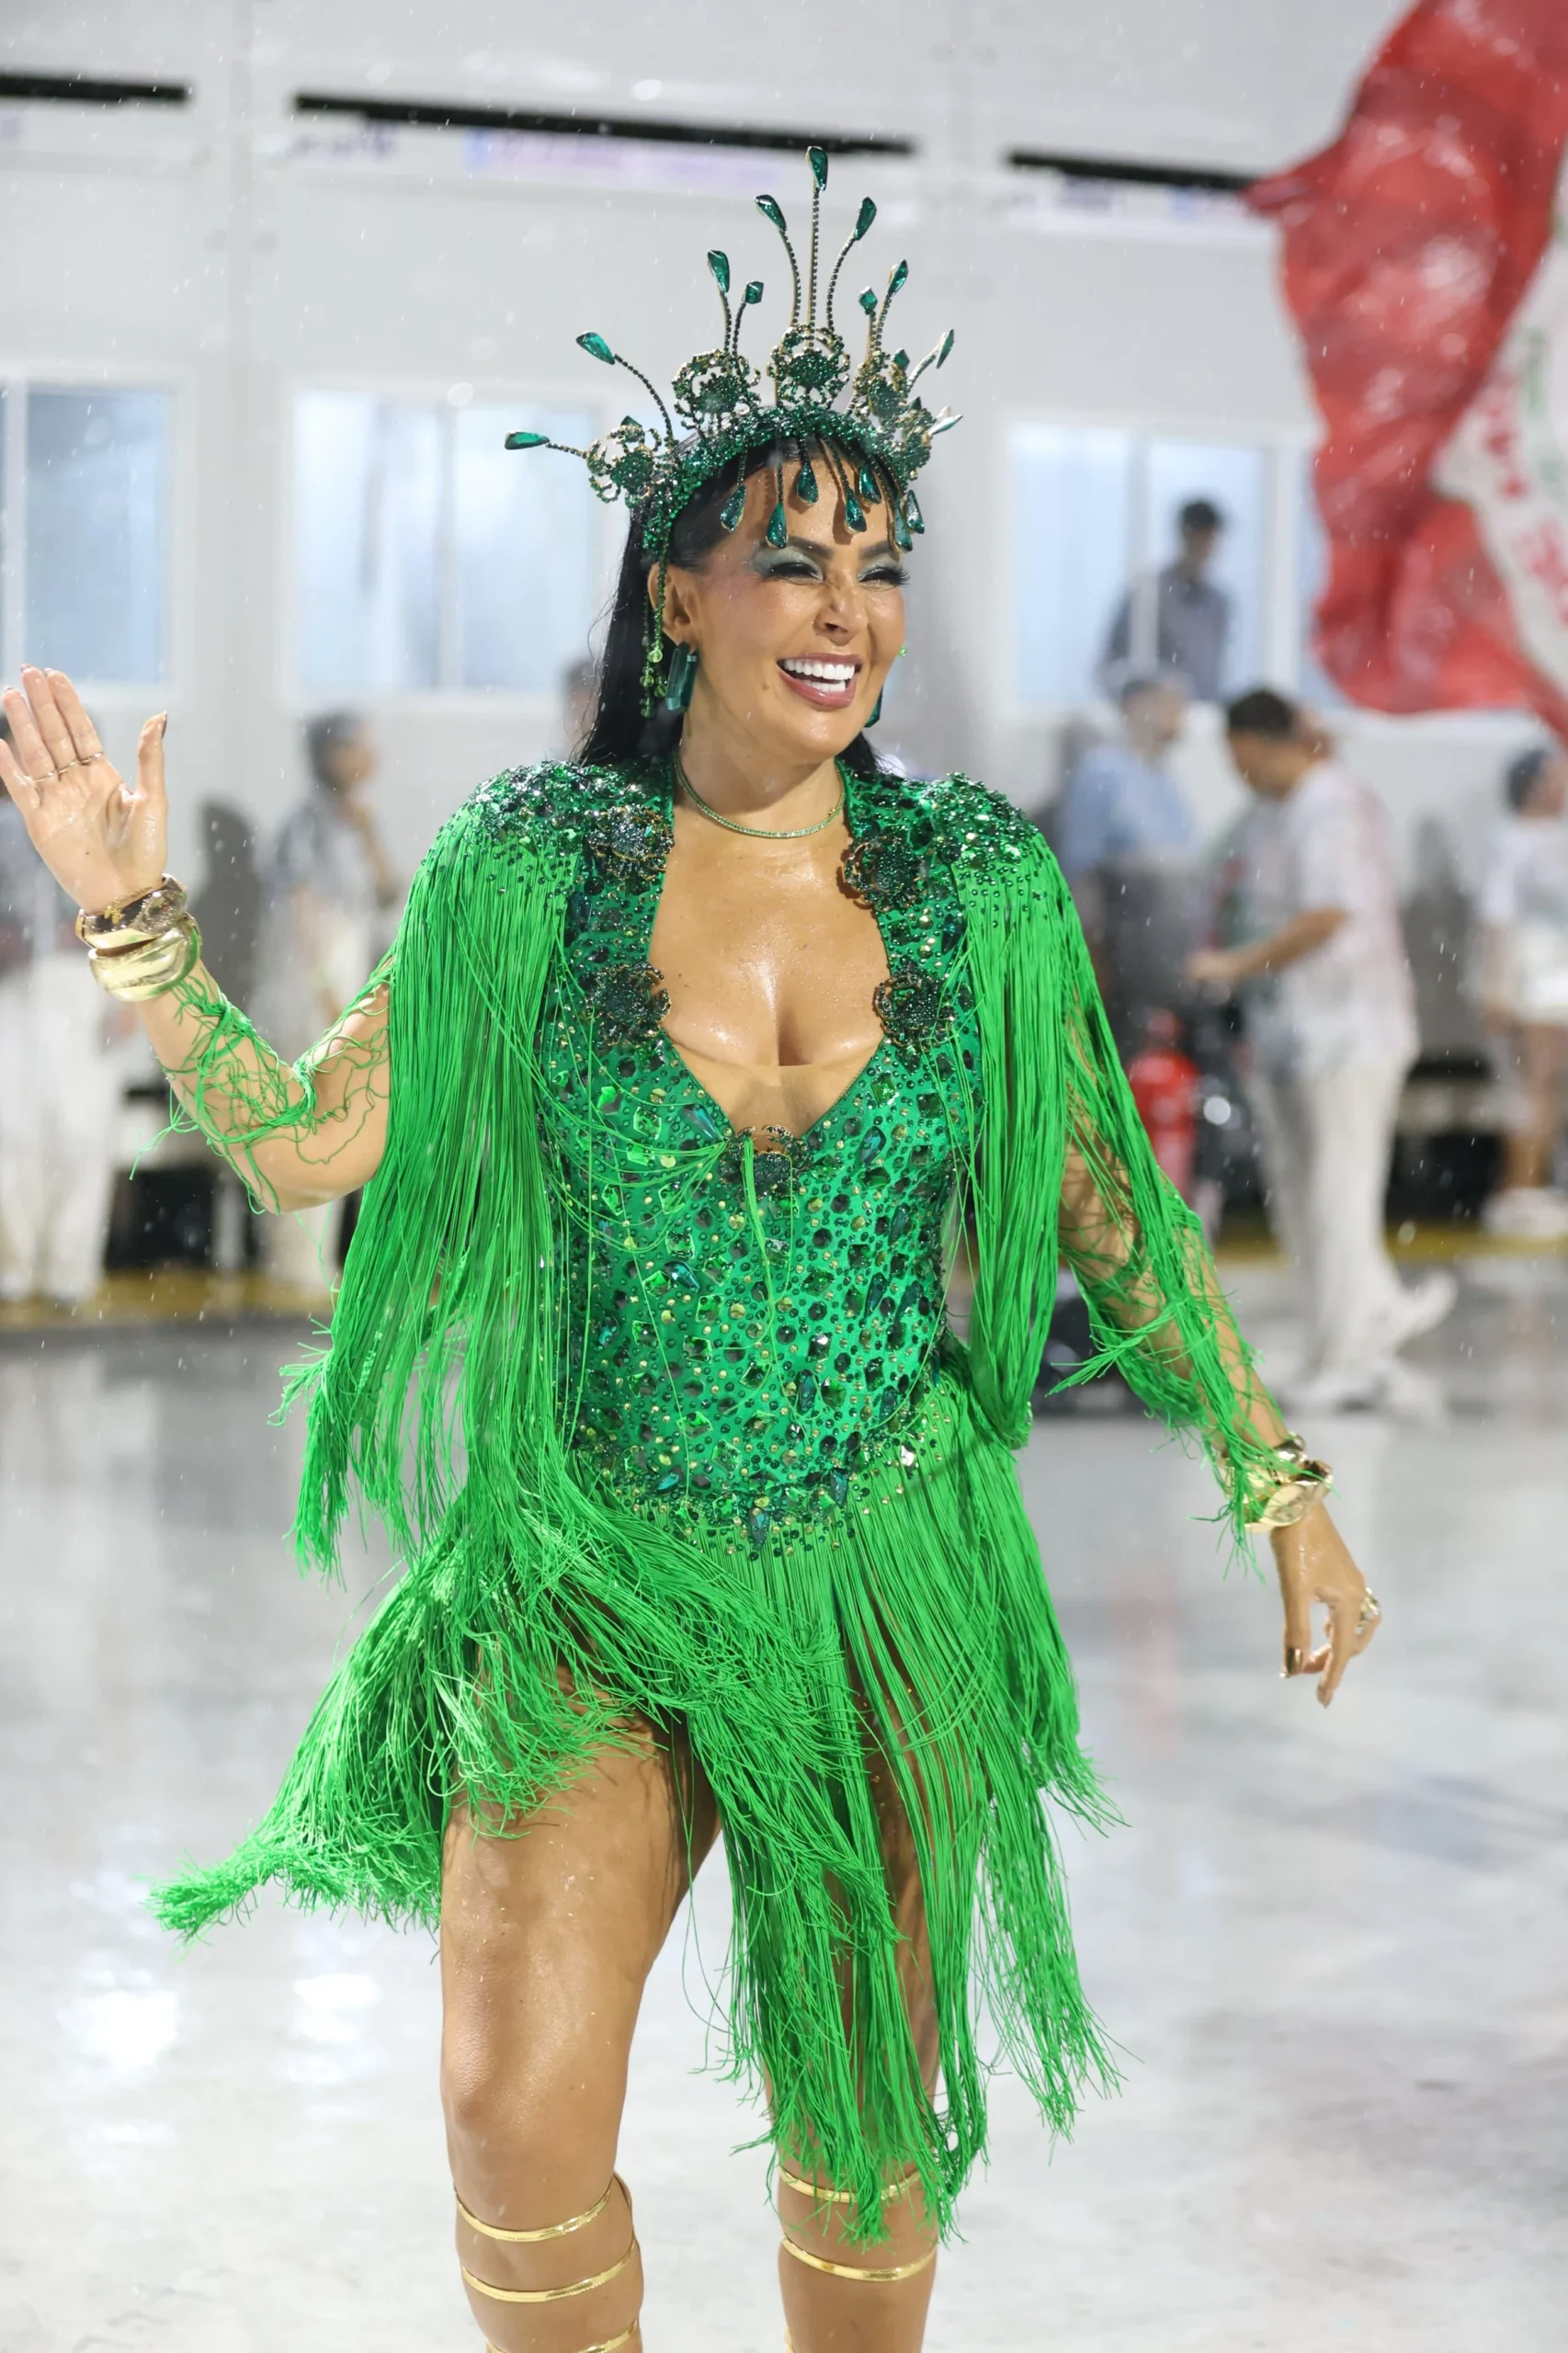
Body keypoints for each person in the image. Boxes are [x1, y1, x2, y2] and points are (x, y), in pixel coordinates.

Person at [0, 153, 1379, 2353]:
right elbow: (302, 1140)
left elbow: (1101, 1214)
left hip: (881, 1556)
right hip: (591, 1558)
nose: (842, 608)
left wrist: (1271, 1476)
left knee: (863, 2145)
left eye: (878, 567)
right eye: (789, 561)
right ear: (677, 595)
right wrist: (135, 918)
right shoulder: (530, 863)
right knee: (505, 2114)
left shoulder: (969, 878)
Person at [1190, 688, 1454, 1413]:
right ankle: (1351, 1327)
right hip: (1292, 1037)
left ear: (1268, 741)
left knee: (1338, 1196)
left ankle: (1348, 1355)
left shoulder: (1329, 806)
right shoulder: (1271, 816)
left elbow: (1329, 913)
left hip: (1350, 1034)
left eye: (1239, 756)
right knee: (1303, 1199)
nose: (1236, 771)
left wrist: (1236, 967)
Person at [251, 710, 399, 1295]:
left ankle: (315, 1265)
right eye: (360, 746)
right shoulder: (304, 826)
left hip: (347, 981)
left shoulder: (355, 823)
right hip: (311, 990)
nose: (371, 758)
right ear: (332, 754)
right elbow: (304, 917)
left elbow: (388, 897)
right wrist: (330, 994)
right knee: (300, 1121)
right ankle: (292, 1265)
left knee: (338, 1121)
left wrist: (369, 835)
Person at [0, 710, 121, 1307]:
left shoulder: (104, 823)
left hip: (87, 988)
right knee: (12, 1136)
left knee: (83, 1133)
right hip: (13, 995)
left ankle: (69, 1277)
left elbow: (132, 913)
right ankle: (13, 1273)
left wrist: (131, 1000)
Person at [1056, 673, 1201, 1046]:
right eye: (1168, 703)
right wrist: (1090, 961)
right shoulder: (1103, 773)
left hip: (1167, 961)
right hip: (1121, 958)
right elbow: (1081, 871)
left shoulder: (1166, 782)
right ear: (1135, 708)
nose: (1178, 715)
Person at [1474, 744, 1568, 1239]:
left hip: (1559, 977)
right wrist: (1499, 987)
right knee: (1531, 1086)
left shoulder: (1557, 836)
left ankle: (1541, 1182)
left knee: (1549, 1088)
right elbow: (1499, 917)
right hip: (1531, 979)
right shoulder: (1510, 840)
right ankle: (1519, 1186)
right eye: (1555, 777)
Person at [1099, 496, 1232, 703]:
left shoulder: (1218, 603)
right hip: (1153, 722)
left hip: (1200, 720)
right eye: (1200, 537)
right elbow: (1110, 667)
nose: (1207, 546)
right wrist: (1148, 693)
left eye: (1210, 538)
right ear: (1185, 536)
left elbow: (1213, 674)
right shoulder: (1148, 593)